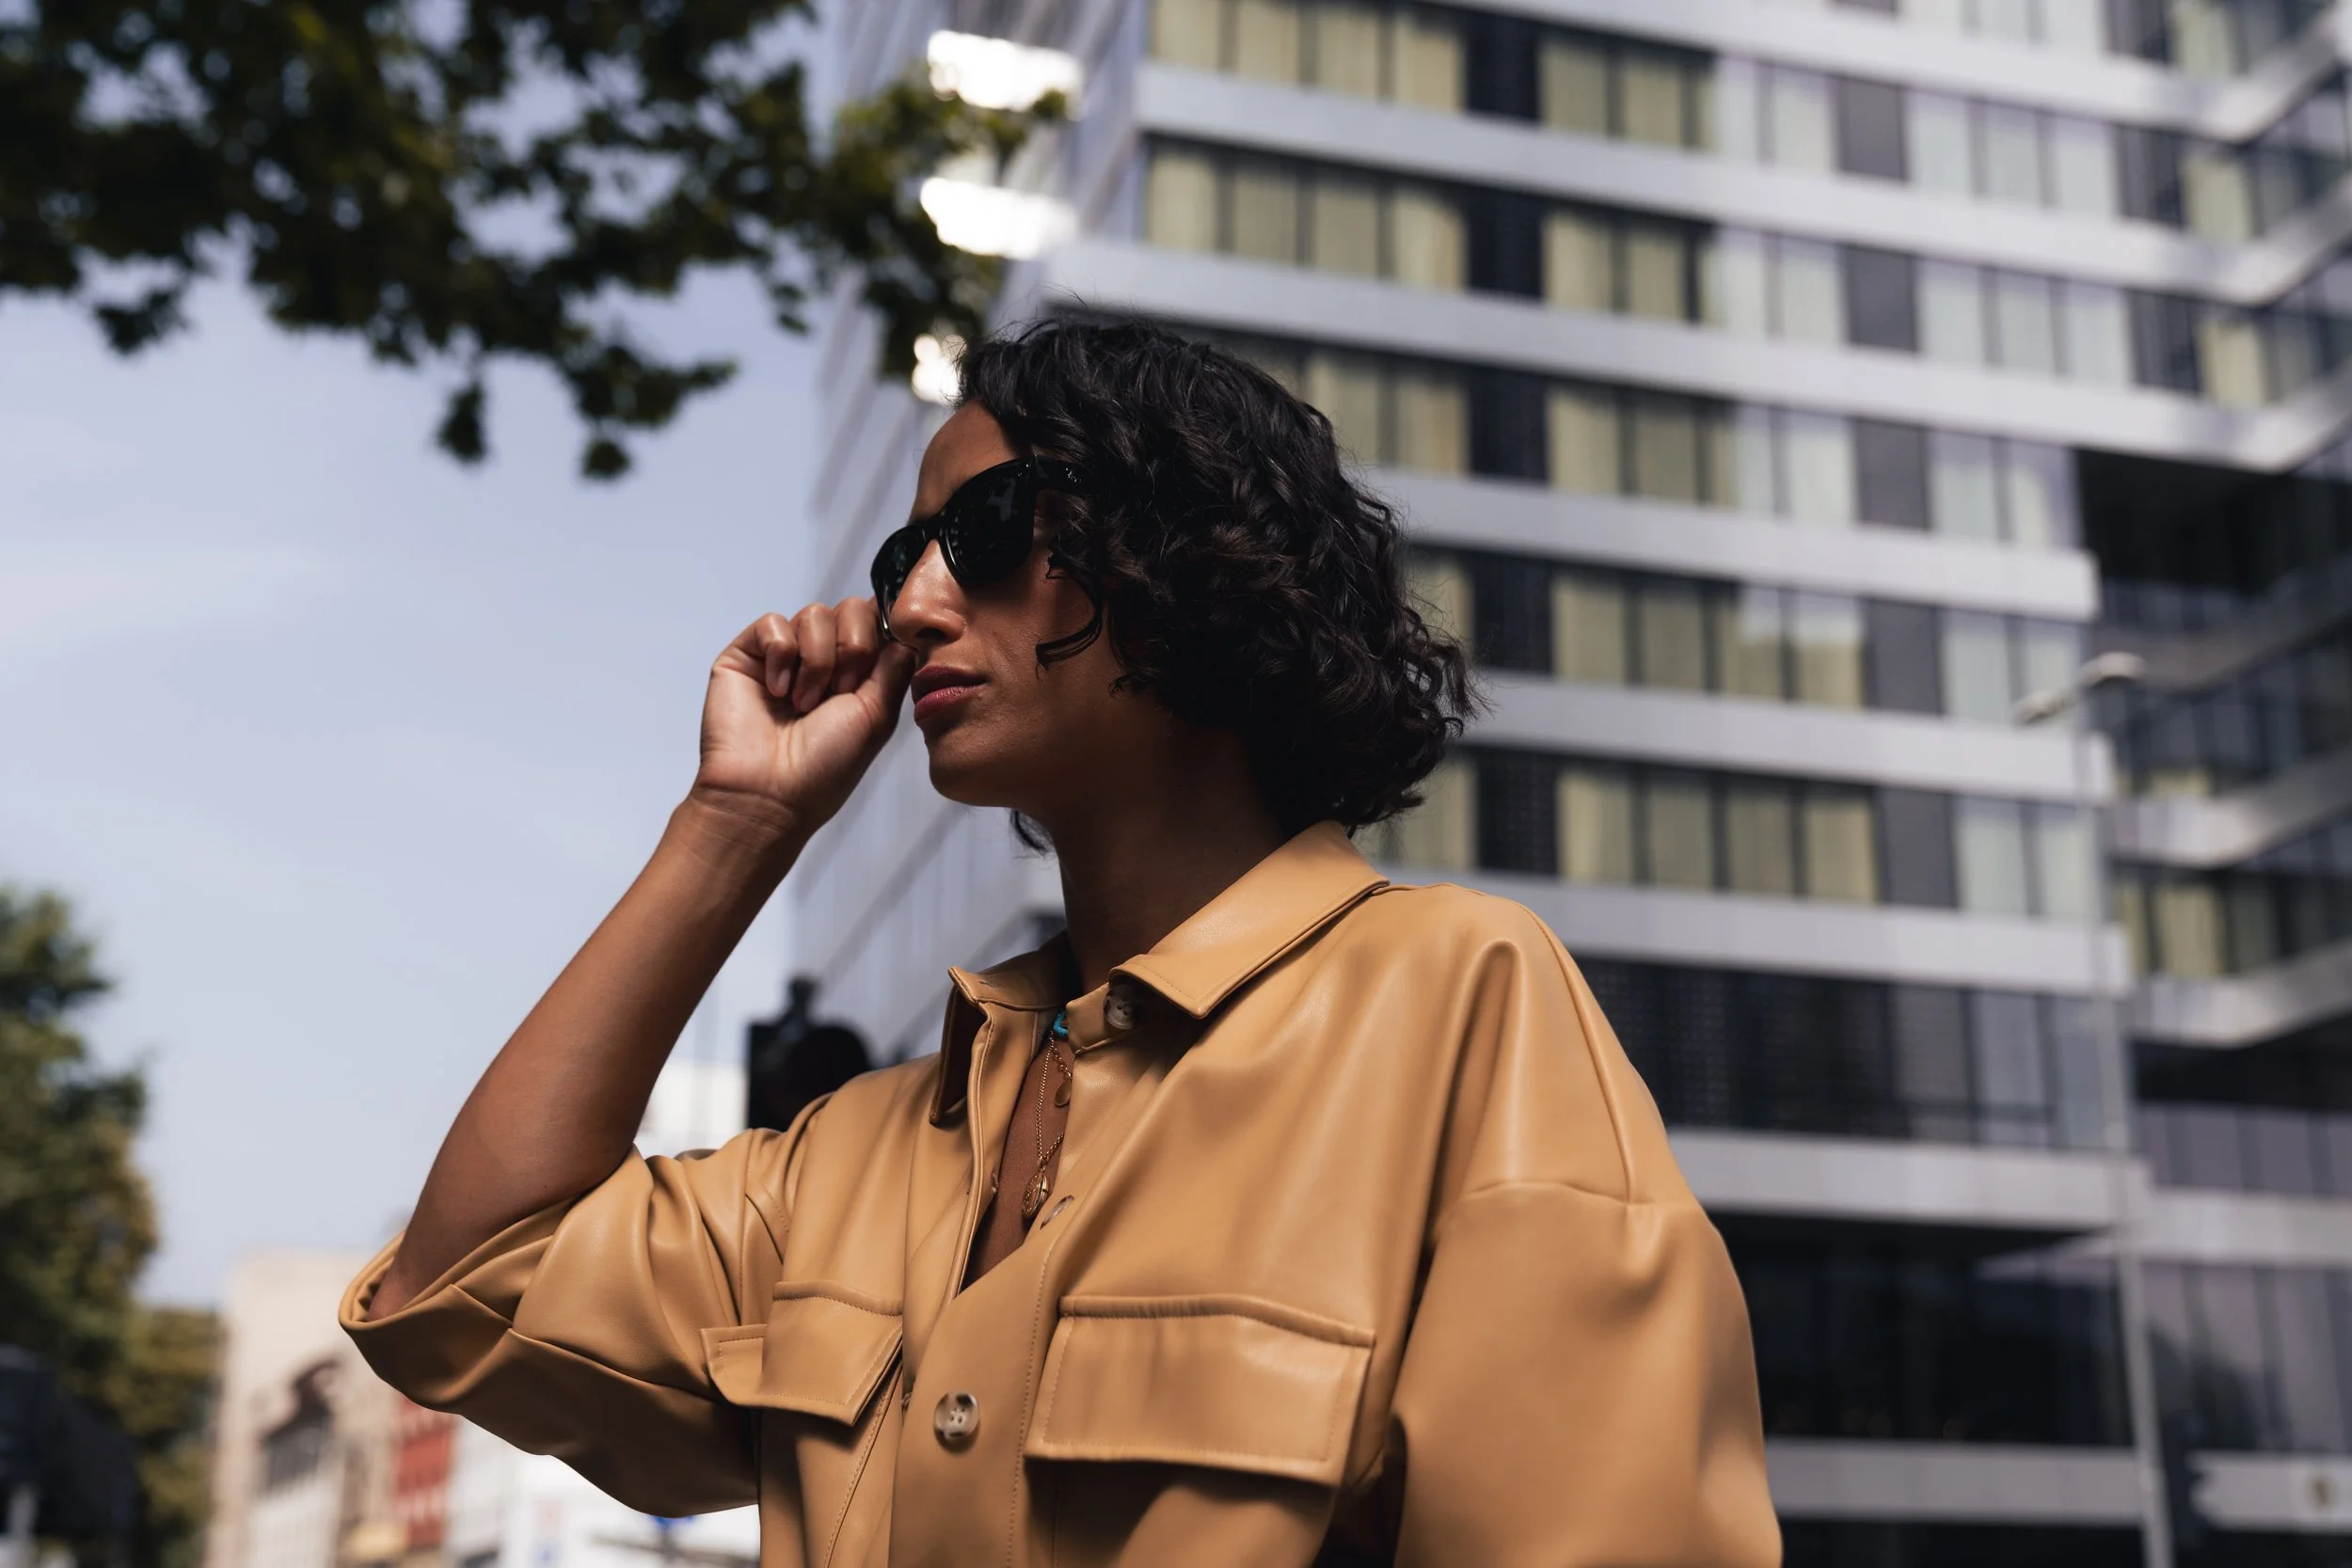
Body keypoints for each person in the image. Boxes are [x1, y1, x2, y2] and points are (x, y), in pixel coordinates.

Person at [341, 320, 1780, 1568]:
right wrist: (736, 822)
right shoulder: (859, 1151)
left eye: (986, 532)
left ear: (1184, 551)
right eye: (905, 554)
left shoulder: (1457, 1006)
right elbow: (468, 1285)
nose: (910, 607)